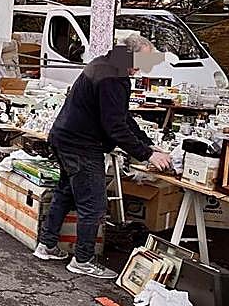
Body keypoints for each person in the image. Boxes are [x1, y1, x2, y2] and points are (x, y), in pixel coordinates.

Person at [36, 36, 173, 278]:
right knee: (94, 205)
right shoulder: (114, 77)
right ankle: (83, 259)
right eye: (141, 61)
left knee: (66, 192)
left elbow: (121, 116)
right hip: (81, 145)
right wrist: (146, 154)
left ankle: (46, 245)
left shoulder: (106, 64)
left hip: (65, 137)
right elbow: (116, 126)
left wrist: (148, 144)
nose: (141, 68)